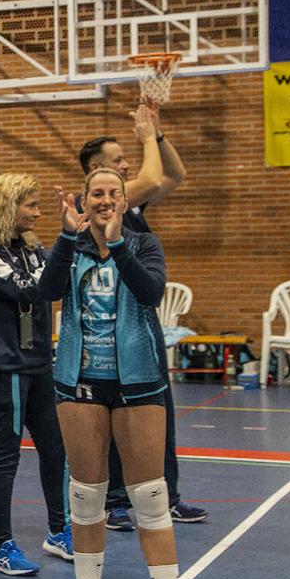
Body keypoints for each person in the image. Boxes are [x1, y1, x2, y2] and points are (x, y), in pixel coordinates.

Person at [40, 167, 192, 579]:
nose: (104, 200)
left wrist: (118, 242)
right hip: (80, 383)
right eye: (96, 194)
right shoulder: (72, 248)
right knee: (85, 495)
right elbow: (46, 292)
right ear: (84, 200)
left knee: (149, 495)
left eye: (112, 194)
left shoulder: (144, 245)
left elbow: (150, 293)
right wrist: (68, 236)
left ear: (125, 201)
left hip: (139, 383)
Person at [78, 105, 207, 526]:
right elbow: (151, 178)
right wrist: (146, 134)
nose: (127, 162)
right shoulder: (105, 199)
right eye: (118, 160)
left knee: (159, 412)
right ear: (97, 170)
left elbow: (173, 177)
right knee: (114, 415)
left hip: (141, 327)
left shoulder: (130, 209)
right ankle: (116, 500)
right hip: (105, 329)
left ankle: (165, 493)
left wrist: (160, 137)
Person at [0, 174, 71, 575]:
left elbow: (53, 285)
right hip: (0, 366)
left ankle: (59, 530)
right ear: (8, 205)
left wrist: (60, 251)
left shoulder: (34, 248)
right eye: (30, 205)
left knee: (55, 449)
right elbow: (27, 289)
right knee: (5, 455)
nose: (38, 213)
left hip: (37, 361)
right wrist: (67, 241)